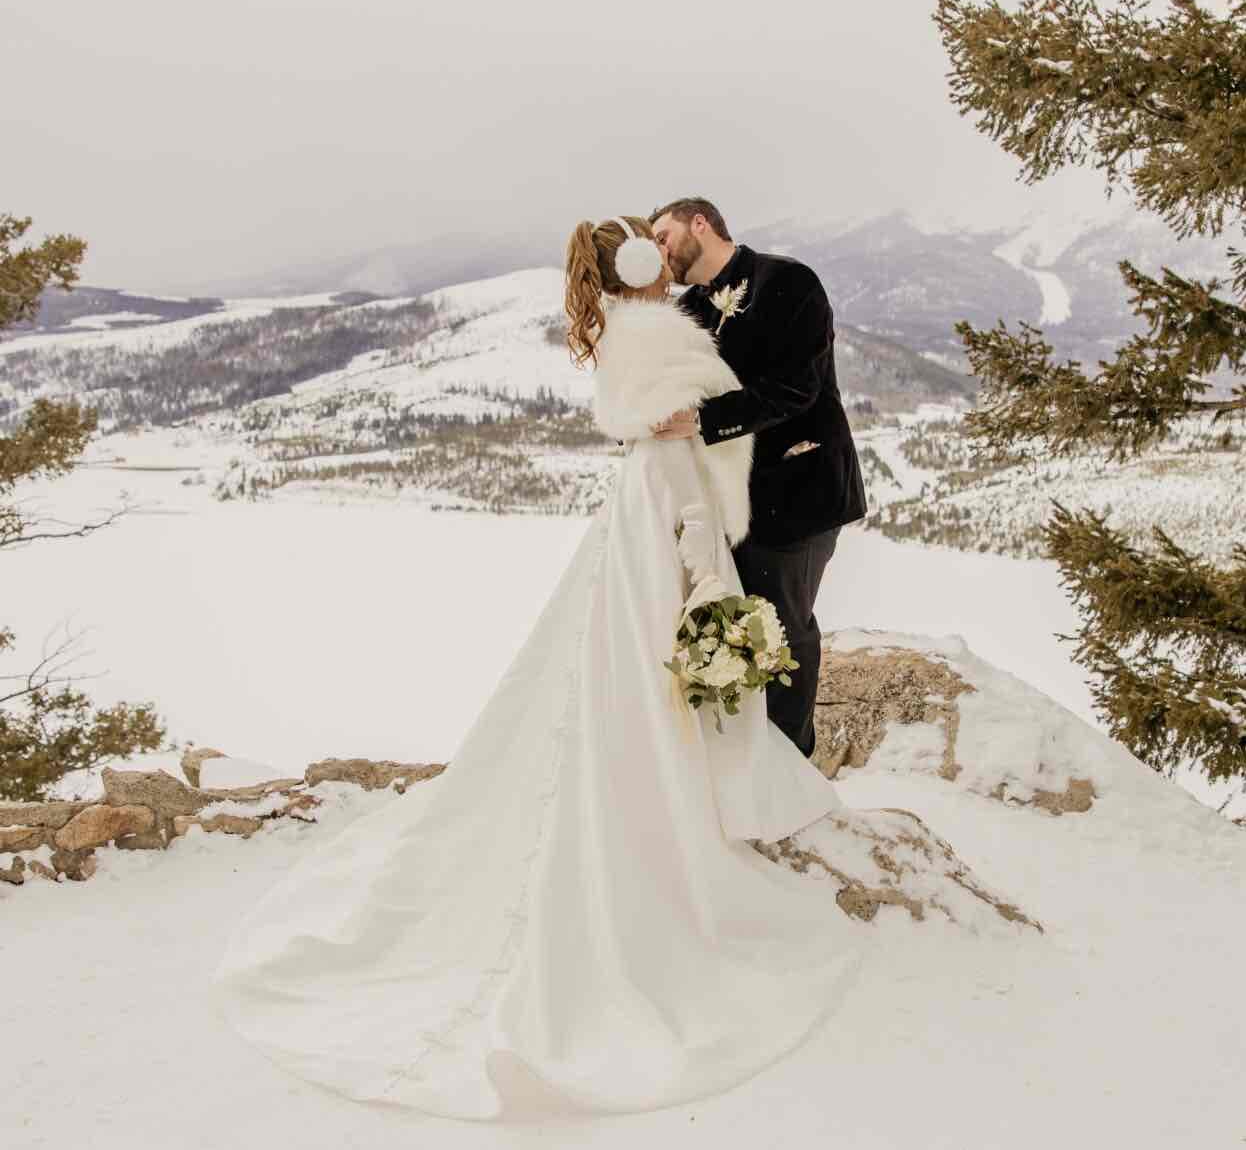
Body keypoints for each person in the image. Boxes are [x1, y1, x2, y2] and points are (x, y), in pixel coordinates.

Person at [209, 216, 862, 1122]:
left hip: (651, 509)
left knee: (628, 670)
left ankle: (697, 782)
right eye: (653, 246)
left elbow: (720, 406)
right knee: (668, 668)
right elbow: (686, 438)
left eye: (671, 238)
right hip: (669, 504)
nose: (666, 256)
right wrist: (705, 557)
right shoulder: (662, 330)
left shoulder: (654, 321)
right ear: (640, 262)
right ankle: (705, 809)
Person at [649, 198, 866, 759]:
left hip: (800, 489)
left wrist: (702, 421)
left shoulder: (789, 281)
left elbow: (799, 388)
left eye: (663, 235)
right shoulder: (688, 309)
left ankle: (794, 766)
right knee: (737, 631)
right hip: (730, 502)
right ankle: (746, 767)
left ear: (700, 223)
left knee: (785, 631)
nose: (658, 249)